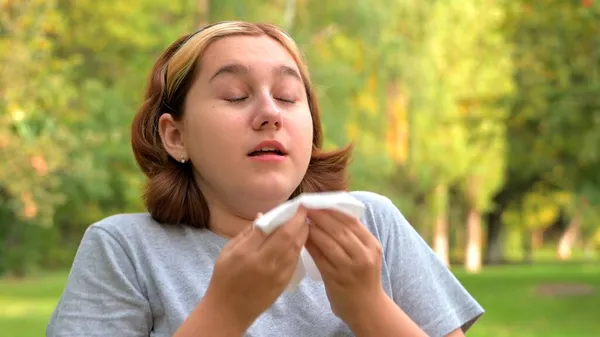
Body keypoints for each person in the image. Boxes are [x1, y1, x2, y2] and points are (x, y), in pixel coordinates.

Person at [46, 21, 484, 337]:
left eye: (288, 97)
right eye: (236, 95)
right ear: (175, 136)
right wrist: (225, 311)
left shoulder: (373, 225)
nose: (270, 113)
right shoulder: (125, 249)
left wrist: (366, 305)